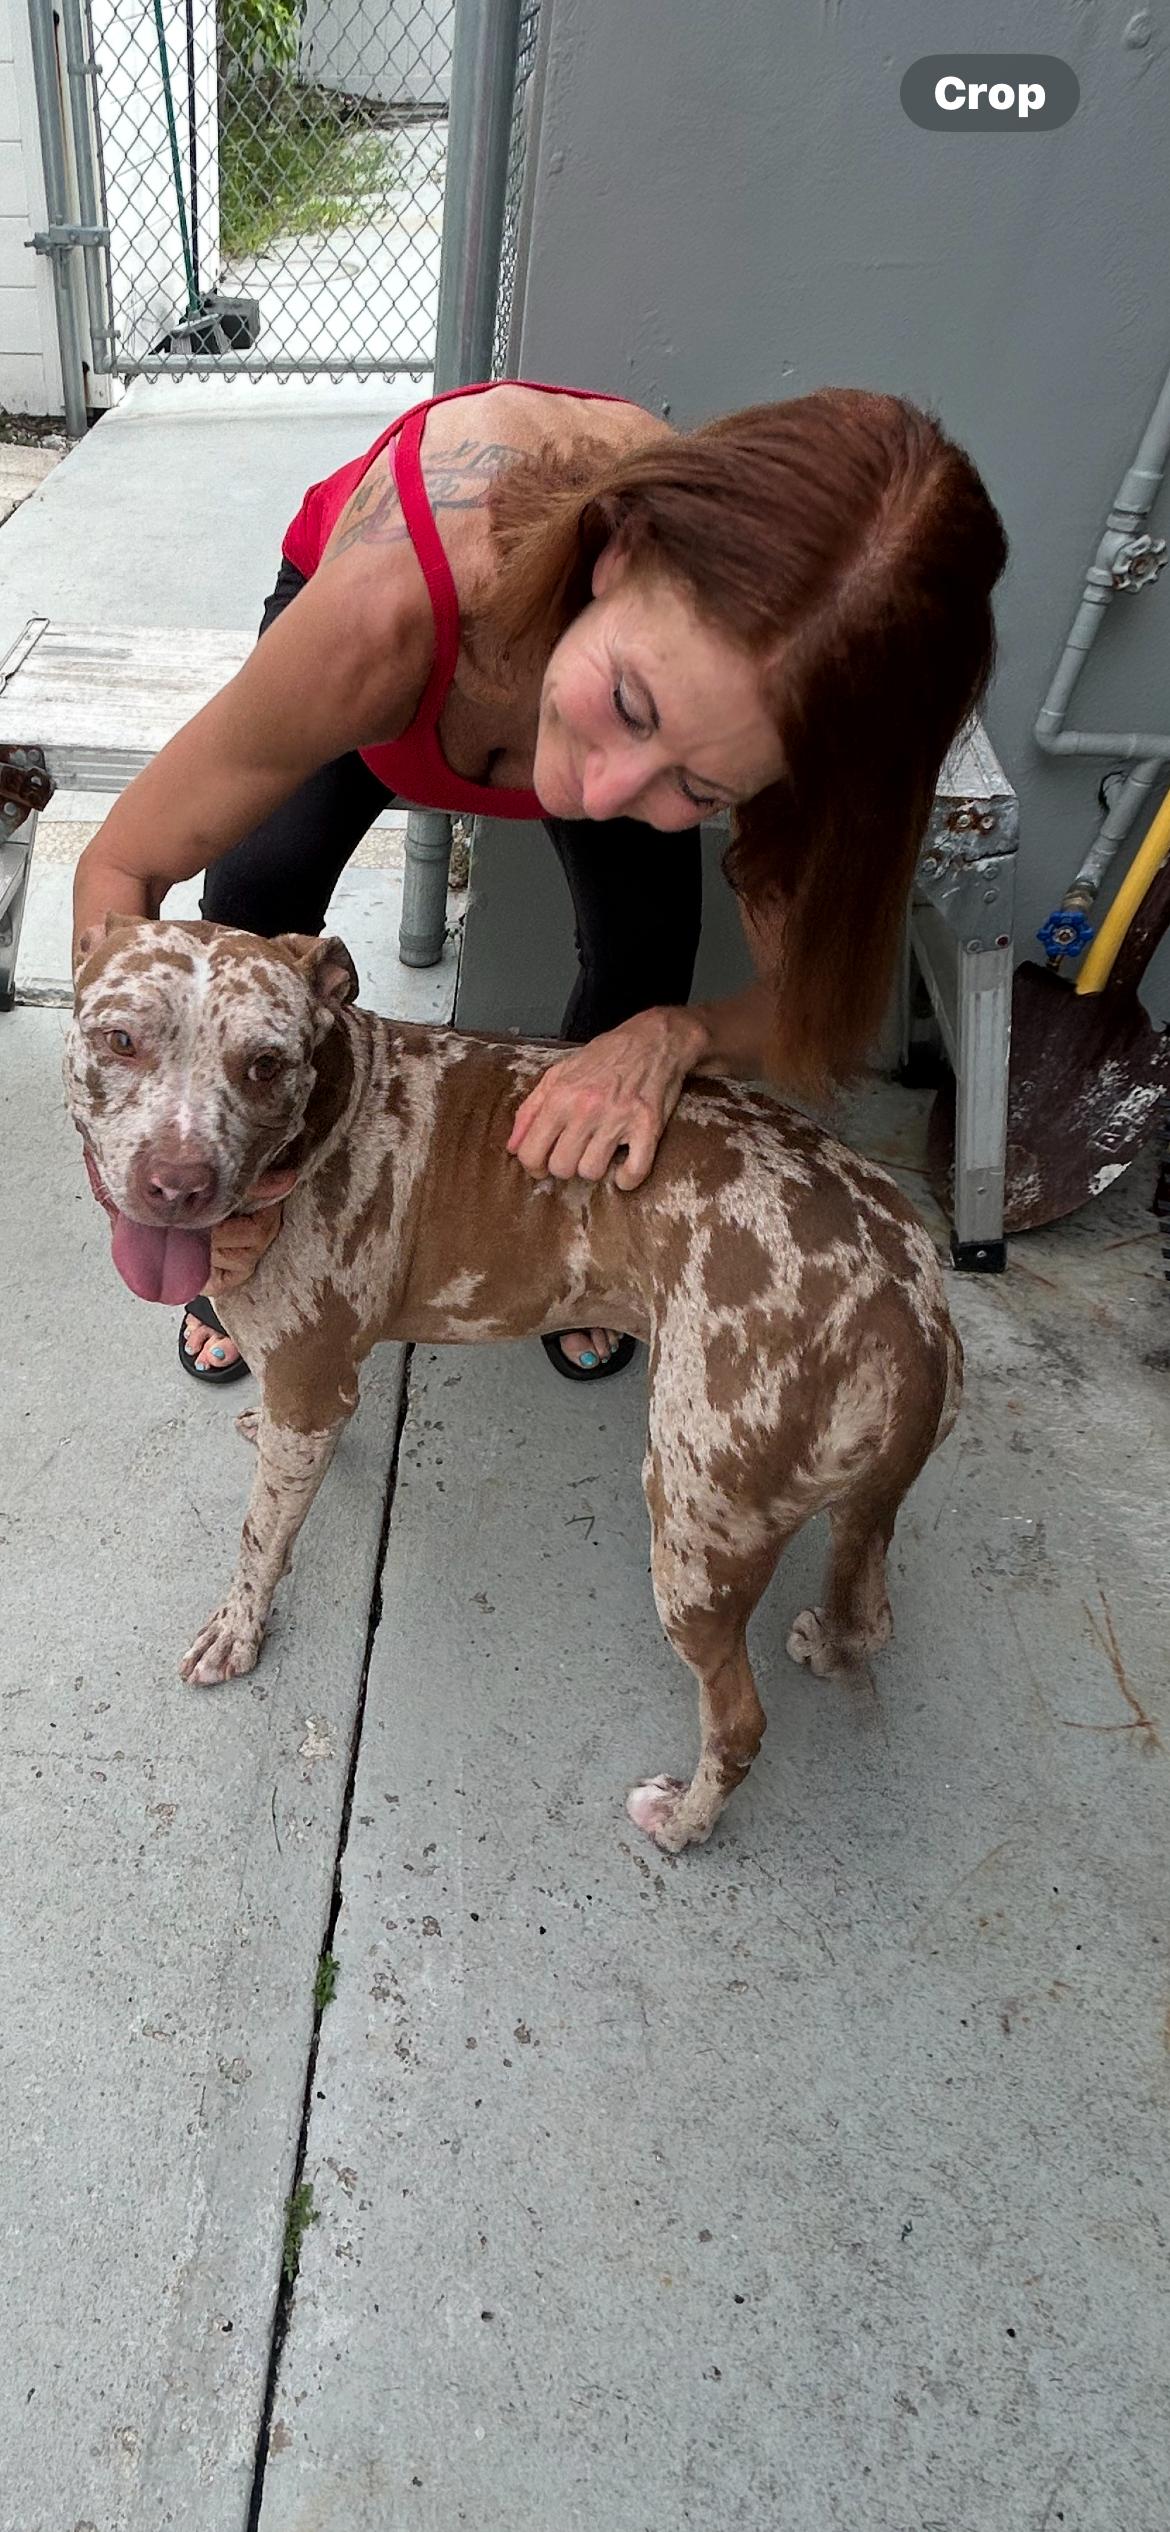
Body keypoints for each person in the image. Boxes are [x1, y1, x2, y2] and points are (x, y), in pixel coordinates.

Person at [72, 377, 1008, 1382]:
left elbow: (806, 1013)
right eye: (631, 704)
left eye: (703, 787)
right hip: (427, 622)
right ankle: (252, 1238)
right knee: (251, 903)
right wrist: (150, 1140)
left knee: (641, 970)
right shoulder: (379, 620)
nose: (600, 789)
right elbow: (125, 865)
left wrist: (676, 1031)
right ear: (618, 555)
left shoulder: (779, 721)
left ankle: (575, 1254)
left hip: (565, 658)